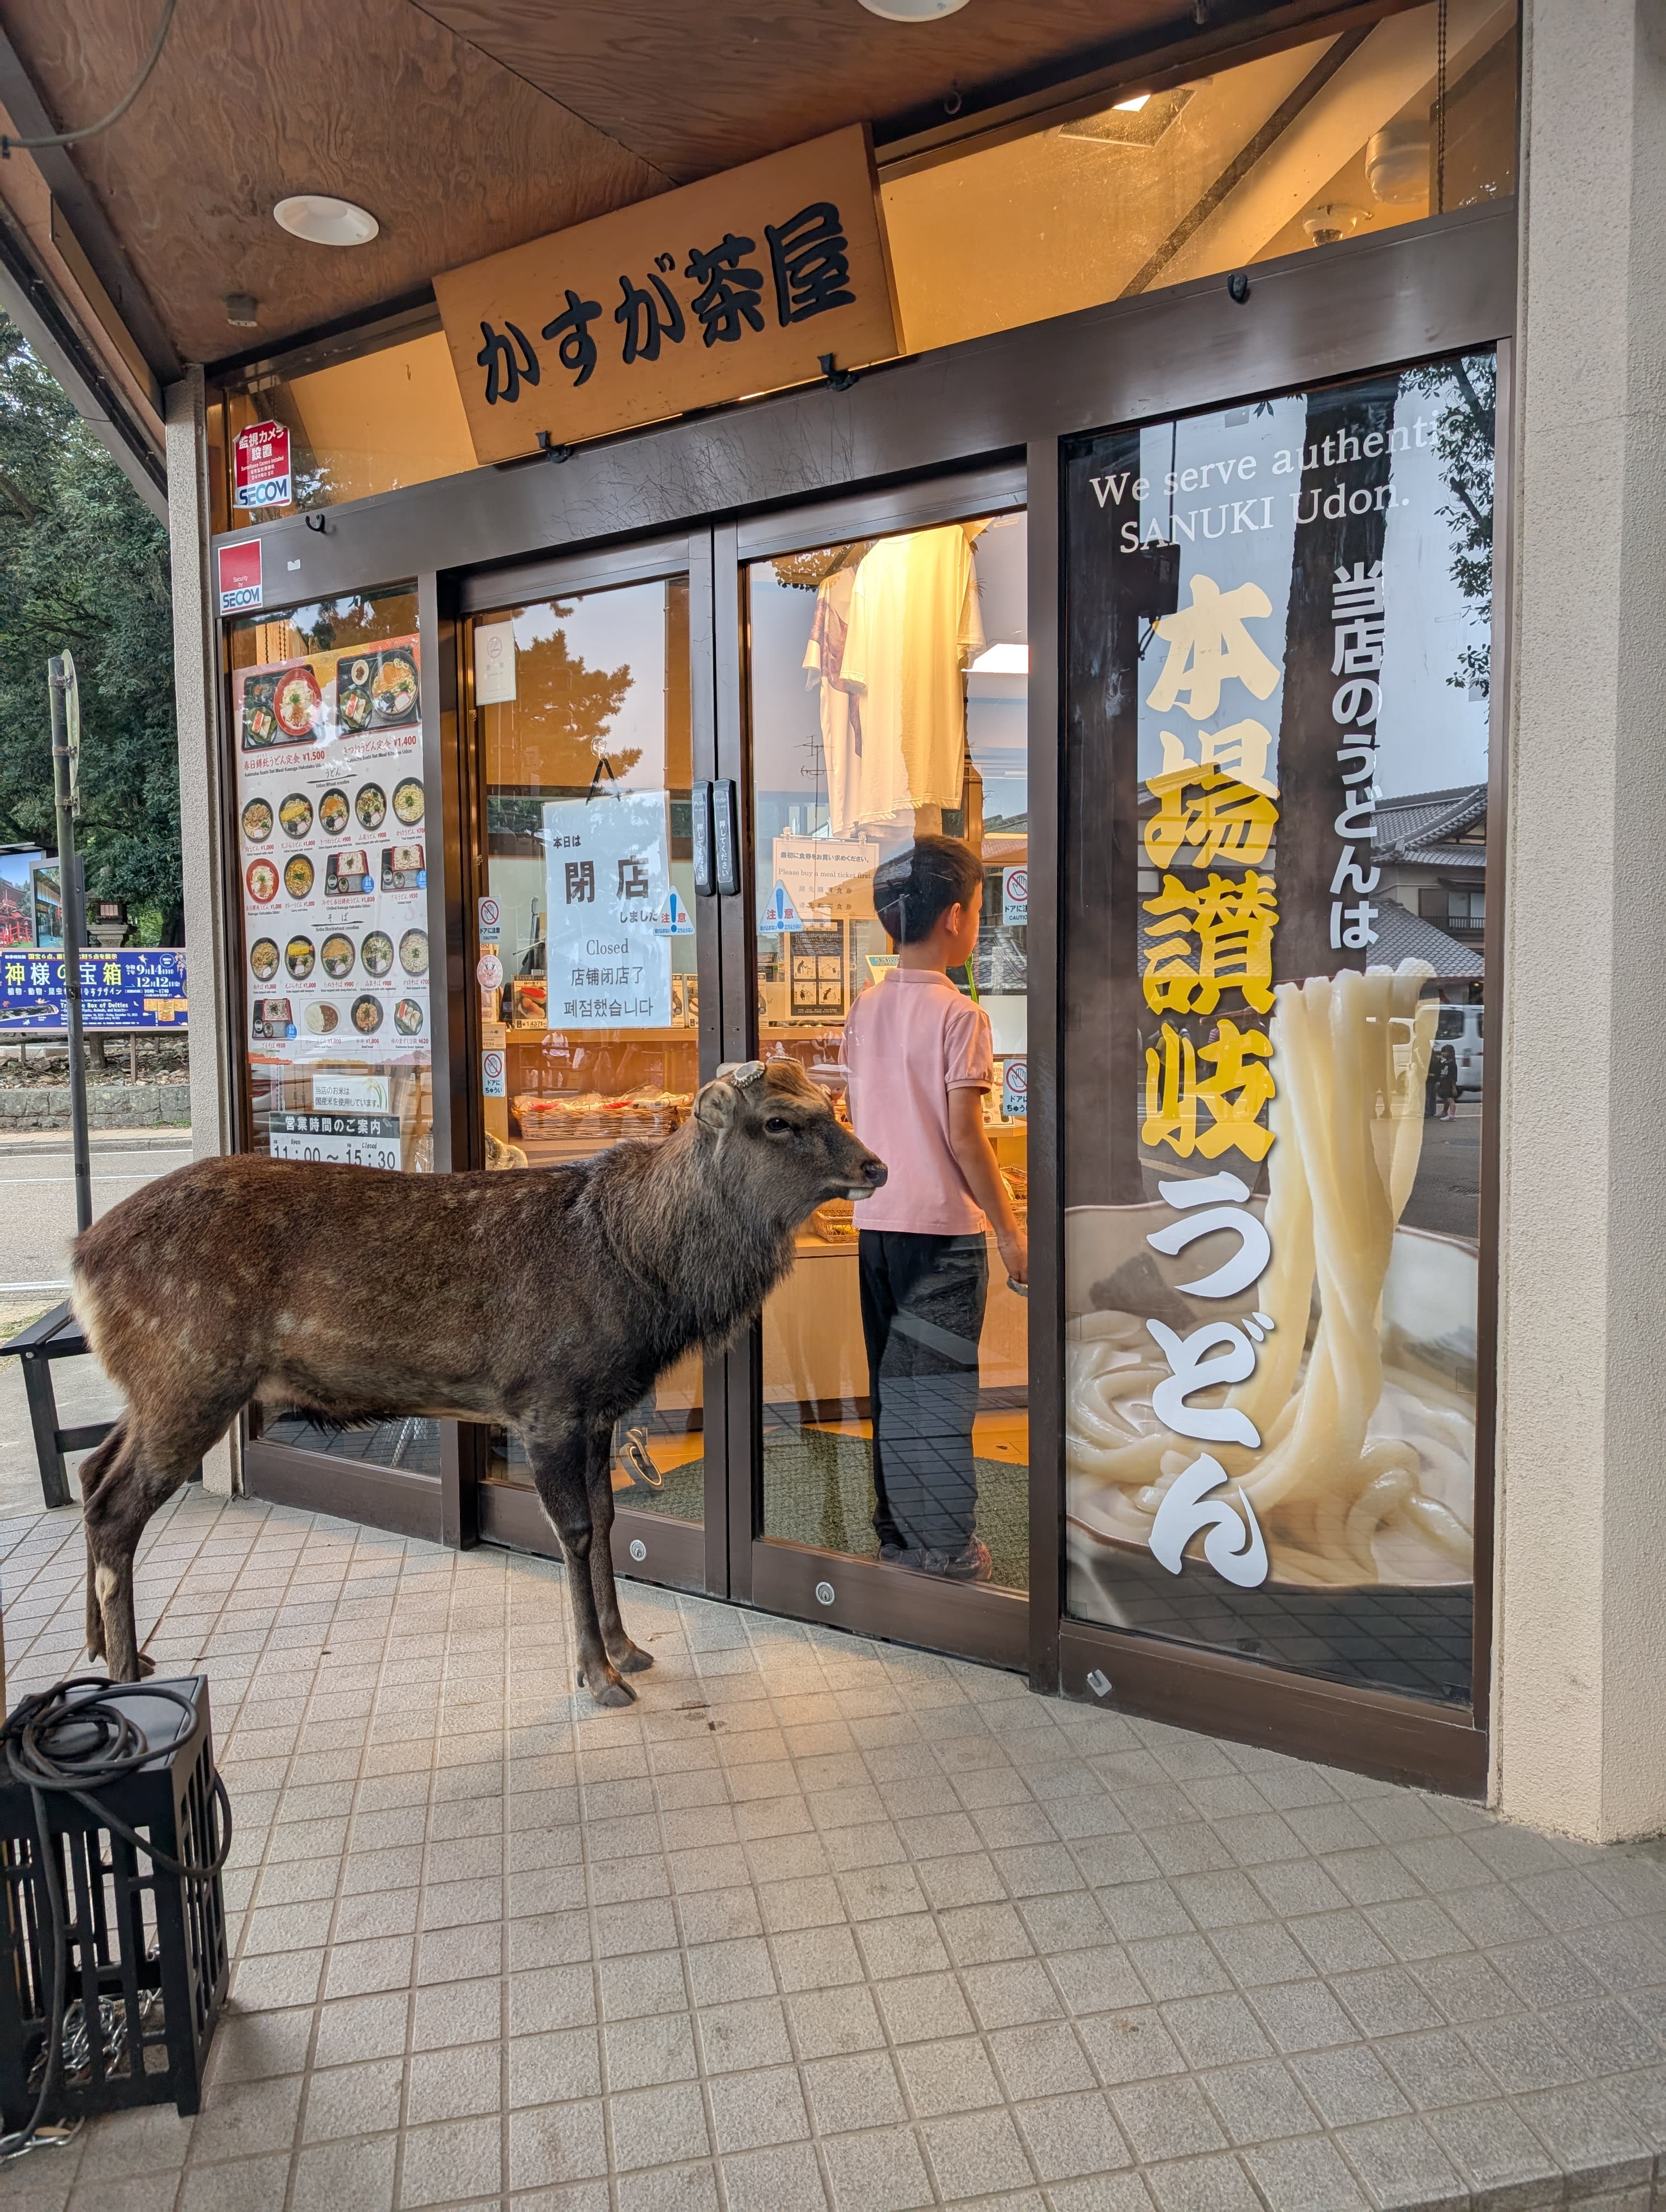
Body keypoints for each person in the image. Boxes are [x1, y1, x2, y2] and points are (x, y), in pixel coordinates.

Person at [840, 835, 1028, 1582]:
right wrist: (1010, 1230)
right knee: (941, 1395)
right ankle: (947, 1550)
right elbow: (964, 1138)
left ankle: (897, 1535)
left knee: (894, 1386)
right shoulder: (961, 1016)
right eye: (978, 911)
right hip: (943, 1236)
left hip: (875, 1226)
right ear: (955, 918)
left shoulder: (866, 1005)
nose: (975, 923)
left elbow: (864, 1114)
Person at [1436, 1041, 1460, 1120]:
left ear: (1450, 1053)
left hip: (1449, 1084)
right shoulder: (1445, 1062)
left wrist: (1454, 1088)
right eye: (1443, 1052)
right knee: (1446, 1099)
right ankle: (1445, 1112)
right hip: (1444, 1083)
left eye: (1445, 1052)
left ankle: (1452, 1115)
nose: (1443, 1054)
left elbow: (1453, 1077)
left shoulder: (1452, 1064)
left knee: (1450, 1099)